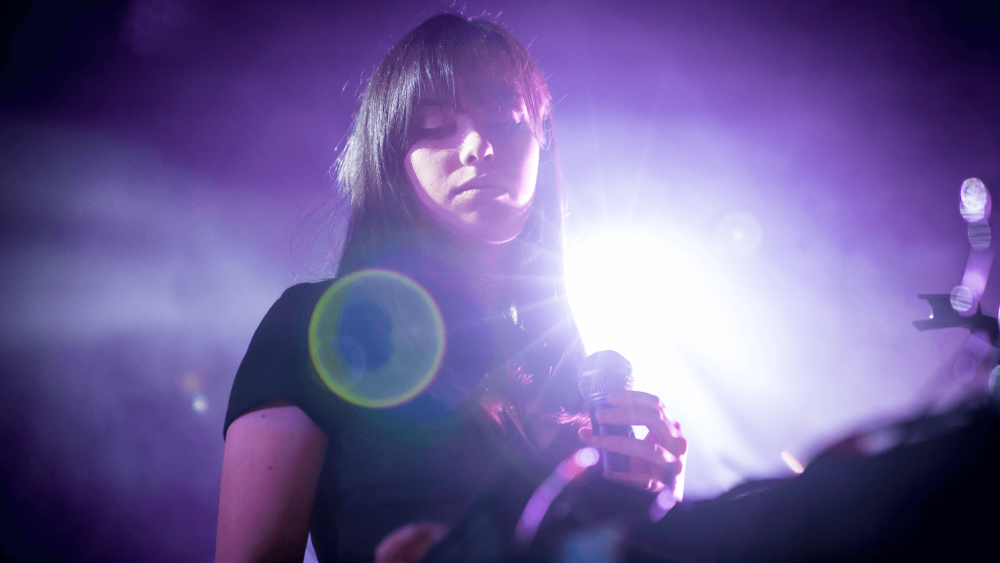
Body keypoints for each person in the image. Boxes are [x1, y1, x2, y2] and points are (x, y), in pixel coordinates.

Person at [215, 13, 687, 563]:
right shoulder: (314, 329)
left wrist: (660, 507)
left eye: (508, 122)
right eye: (437, 128)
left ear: (543, 146)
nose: (479, 148)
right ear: (392, 160)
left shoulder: (568, 376)